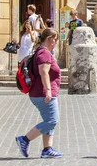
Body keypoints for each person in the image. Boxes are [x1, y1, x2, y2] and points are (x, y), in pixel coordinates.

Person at [15, 29, 63, 158]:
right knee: (52, 120)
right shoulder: (44, 53)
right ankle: (24, 140)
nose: (56, 42)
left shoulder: (40, 51)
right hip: (43, 93)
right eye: (55, 39)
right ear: (49, 39)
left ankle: (47, 149)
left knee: (48, 120)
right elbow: (44, 72)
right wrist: (48, 90)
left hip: (40, 92)